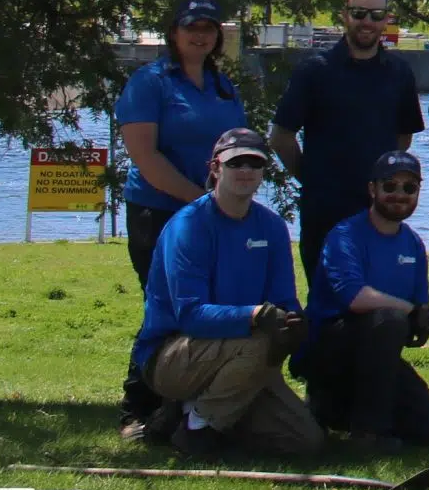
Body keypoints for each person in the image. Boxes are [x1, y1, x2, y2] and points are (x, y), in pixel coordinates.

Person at [128, 128, 323, 458]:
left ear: (264, 172)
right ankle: (196, 430)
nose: (245, 171)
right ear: (216, 168)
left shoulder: (272, 227)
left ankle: (188, 413)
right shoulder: (189, 225)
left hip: (243, 358)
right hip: (172, 353)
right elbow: (190, 315)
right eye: (236, 163)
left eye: (254, 163)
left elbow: (284, 300)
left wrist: (295, 322)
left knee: (305, 441)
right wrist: (256, 316)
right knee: (260, 341)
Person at [272, 0, 423, 288]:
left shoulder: (399, 73)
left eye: (375, 14)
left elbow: (403, 138)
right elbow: (281, 136)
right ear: (345, 16)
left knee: (380, 301)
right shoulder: (314, 70)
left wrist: (385, 182)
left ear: (385, 20)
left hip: (378, 209)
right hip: (324, 209)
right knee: (327, 302)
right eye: (359, 13)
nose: (367, 21)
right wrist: (311, 177)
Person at [298, 149, 429, 449]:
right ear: (372, 189)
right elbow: (355, 298)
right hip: (330, 350)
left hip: (378, 356)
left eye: (409, 188)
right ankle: (367, 432)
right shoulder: (345, 236)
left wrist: (423, 319)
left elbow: (419, 304)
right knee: (388, 319)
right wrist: (410, 310)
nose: (399, 195)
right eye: (389, 186)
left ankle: (339, 414)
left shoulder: (413, 243)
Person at [117, 0, 248, 286]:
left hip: (216, 212)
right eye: (192, 27)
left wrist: (230, 200)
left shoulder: (223, 86)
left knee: (215, 298)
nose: (200, 36)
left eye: (208, 28)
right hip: (158, 214)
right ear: (174, 32)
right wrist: (201, 200)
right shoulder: (148, 82)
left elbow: (240, 146)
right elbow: (145, 157)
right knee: (168, 307)